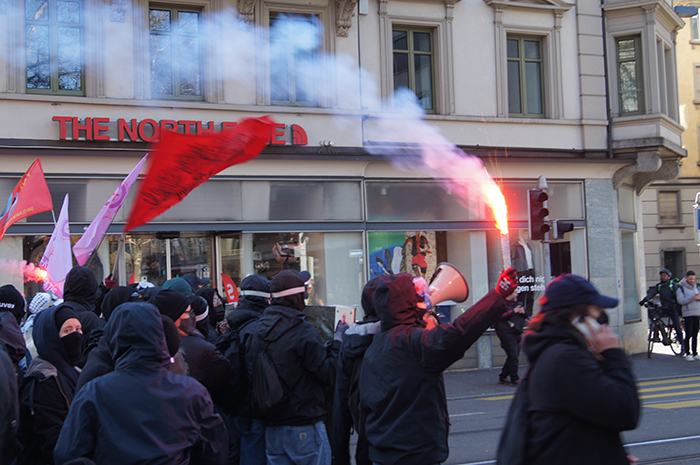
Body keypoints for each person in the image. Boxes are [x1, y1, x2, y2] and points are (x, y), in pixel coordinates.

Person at [359, 268, 517, 465]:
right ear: (408, 304)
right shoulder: (412, 343)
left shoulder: (376, 346)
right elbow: (459, 332)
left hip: (383, 454)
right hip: (413, 455)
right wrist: (497, 295)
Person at [54, 302, 228, 465]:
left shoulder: (94, 392)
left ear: (114, 337)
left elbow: (68, 453)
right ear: (159, 334)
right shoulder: (191, 392)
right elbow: (214, 450)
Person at [521, 274, 640, 464]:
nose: (600, 322)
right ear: (575, 317)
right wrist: (613, 354)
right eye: (595, 313)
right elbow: (625, 411)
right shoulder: (566, 358)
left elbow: (581, 421)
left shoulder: (558, 353)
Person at [247, 269, 341, 465]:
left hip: (272, 427)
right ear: (298, 296)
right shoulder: (302, 330)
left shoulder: (259, 329)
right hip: (304, 424)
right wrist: (338, 343)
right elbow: (327, 374)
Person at [17, 305, 83, 465]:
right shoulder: (44, 380)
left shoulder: (73, 371)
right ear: (51, 336)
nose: (75, 335)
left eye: (78, 329)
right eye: (67, 331)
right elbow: (51, 440)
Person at [217, 274, 271, 465]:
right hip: (251, 410)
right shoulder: (256, 328)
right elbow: (254, 371)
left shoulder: (234, 324)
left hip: (234, 406)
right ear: (264, 299)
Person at [332, 276, 384, 465]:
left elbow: (341, 407)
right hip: (404, 446)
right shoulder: (404, 337)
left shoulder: (351, 342)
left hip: (366, 442)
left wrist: (340, 458)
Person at [152, 290, 233, 403]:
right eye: (187, 312)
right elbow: (227, 381)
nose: (192, 316)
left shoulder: (148, 344)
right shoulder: (203, 349)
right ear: (173, 317)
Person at [640, 268, 684, 356]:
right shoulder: (659, 286)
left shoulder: (672, 285)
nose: (663, 277)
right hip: (664, 307)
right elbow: (652, 293)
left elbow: (677, 295)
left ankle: (683, 347)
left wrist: (675, 303)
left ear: (668, 277)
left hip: (672, 308)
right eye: (662, 276)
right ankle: (657, 335)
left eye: (664, 276)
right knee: (654, 317)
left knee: (677, 327)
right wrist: (644, 300)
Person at [496, 289, 529, 386]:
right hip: (506, 333)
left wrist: (523, 312)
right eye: (515, 292)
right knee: (513, 356)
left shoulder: (517, 304)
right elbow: (499, 317)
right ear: (509, 294)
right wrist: (512, 311)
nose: (517, 294)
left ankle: (503, 376)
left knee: (513, 356)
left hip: (517, 332)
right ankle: (514, 378)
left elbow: (526, 315)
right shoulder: (502, 305)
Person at [676, 270, 700, 362]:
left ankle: (695, 352)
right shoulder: (681, 288)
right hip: (688, 314)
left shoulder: (697, 287)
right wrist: (692, 298)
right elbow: (681, 301)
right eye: (690, 279)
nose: (692, 281)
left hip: (697, 312)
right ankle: (688, 353)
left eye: (693, 279)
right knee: (688, 334)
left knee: (695, 334)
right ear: (686, 278)